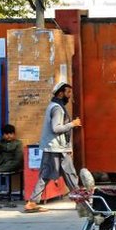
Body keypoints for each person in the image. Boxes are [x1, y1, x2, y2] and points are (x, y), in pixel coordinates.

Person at [24, 81, 81, 213]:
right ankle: (81, 202)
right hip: (57, 148)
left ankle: (32, 202)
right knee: (70, 174)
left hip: (53, 147)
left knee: (45, 175)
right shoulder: (57, 108)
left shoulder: (54, 105)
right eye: (68, 92)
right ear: (60, 94)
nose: (69, 95)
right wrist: (73, 124)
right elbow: (56, 128)